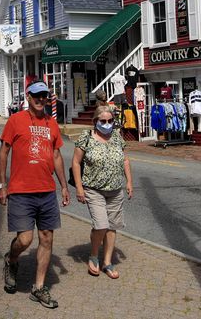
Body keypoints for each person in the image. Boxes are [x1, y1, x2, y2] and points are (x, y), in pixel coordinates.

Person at [0, 81, 70, 309]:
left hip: (46, 191)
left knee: (47, 238)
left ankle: (38, 288)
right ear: (28, 97)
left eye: (44, 96)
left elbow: (56, 155)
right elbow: (4, 152)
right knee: (25, 239)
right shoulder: (15, 120)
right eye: (37, 96)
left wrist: (64, 186)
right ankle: (12, 259)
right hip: (21, 191)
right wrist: (2, 185)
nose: (41, 100)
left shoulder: (51, 124)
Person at [71, 104, 134, 279]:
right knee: (101, 225)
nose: (107, 124)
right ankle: (93, 256)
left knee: (112, 227)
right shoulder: (86, 138)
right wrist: (79, 188)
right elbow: (76, 163)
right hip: (93, 189)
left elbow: (125, 160)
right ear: (95, 121)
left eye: (110, 121)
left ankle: (107, 261)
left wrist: (129, 181)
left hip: (115, 189)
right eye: (103, 121)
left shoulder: (116, 136)